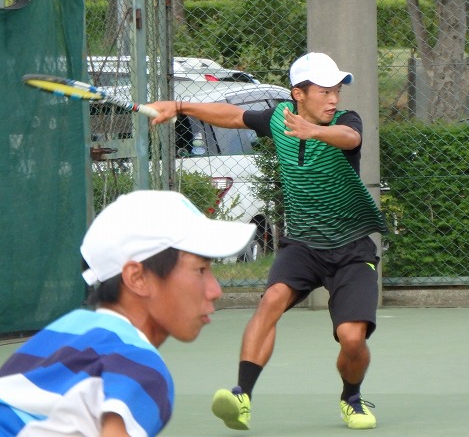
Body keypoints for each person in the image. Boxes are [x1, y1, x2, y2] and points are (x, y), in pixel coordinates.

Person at [147, 52, 388, 431]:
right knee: (272, 300)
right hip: (303, 245)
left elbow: (350, 138)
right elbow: (233, 116)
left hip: (352, 250)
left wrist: (315, 132)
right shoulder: (278, 118)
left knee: (352, 338)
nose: (333, 99)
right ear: (298, 94)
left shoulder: (345, 121)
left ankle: (351, 398)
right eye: (324, 92)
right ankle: (241, 395)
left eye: (336, 91)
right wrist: (179, 106)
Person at [0, 190, 256, 437]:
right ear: (137, 278)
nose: (215, 290)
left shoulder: (66, 329)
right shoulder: (140, 363)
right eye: (200, 270)